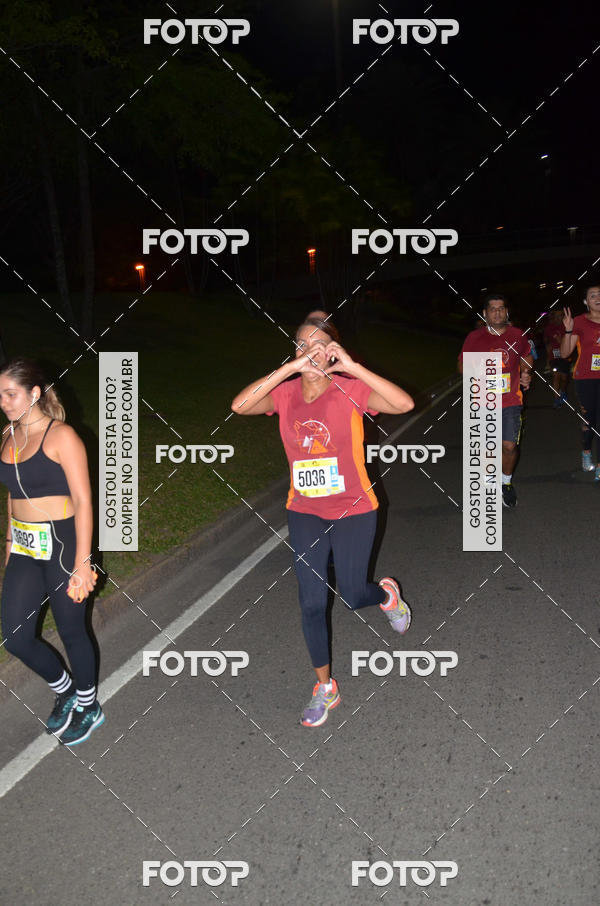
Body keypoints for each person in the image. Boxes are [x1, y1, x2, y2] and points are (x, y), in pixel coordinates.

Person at [231, 317, 414, 727]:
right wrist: (289, 369)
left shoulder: (352, 389)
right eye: (302, 345)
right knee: (311, 601)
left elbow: (404, 404)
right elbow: (240, 406)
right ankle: (325, 688)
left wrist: (351, 366)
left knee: (352, 594)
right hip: (305, 510)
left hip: (354, 506)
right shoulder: (285, 393)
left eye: (321, 344)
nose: (312, 352)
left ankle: (385, 597)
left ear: (334, 349)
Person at [0, 359, 102, 745]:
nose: (4, 402)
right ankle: (66, 689)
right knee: (15, 637)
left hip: (62, 543)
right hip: (25, 546)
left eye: (11, 394)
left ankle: (89, 705)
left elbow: (83, 500)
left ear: (35, 393)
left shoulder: (62, 437)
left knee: (72, 629)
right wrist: (10, 543)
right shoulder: (8, 436)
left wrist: (82, 562)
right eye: (0, 395)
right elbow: (13, 495)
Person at [458, 294, 533, 508]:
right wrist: (477, 371)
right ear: (485, 313)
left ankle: (506, 483)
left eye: (501, 308)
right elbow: (461, 366)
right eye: (492, 309)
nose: (497, 312)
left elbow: (526, 355)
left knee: (509, 446)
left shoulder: (518, 335)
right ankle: (489, 484)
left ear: (506, 312)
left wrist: (526, 372)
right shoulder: (475, 337)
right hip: (483, 401)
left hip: (511, 400)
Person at [561, 285, 600, 478]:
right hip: (585, 377)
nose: (597, 298)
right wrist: (568, 331)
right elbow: (566, 353)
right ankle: (586, 451)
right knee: (590, 420)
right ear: (586, 301)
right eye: (593, 295)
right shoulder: (579, 321)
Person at [544, 310, 569, 407]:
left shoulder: (566, 326)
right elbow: (546, 341)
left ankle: (563, 391)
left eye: (561, 315)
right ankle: (556, 399)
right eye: (557, 316)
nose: (559, 317)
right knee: (556, 377)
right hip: (554, 357)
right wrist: (548, 347)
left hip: (565, 355)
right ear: (554, 317)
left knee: (564, 378)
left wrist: (561, 341)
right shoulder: (549, 328)